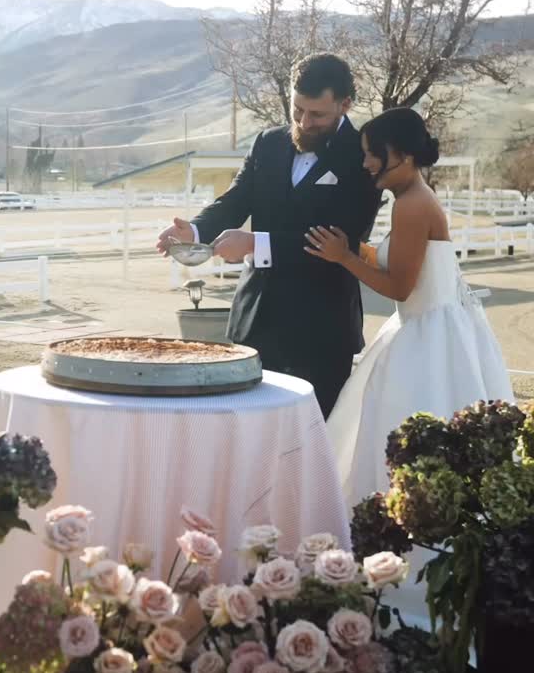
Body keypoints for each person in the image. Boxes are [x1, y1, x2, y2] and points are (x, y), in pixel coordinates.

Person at [304, 106, 513, 622]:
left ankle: (410, 576)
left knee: (401, 443)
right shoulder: (409, 200)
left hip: (425, 340)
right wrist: (363, 250)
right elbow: (406, 267)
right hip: (426, 332)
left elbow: (400, 287)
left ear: (404, 154)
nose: (368, 161)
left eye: (374, 152)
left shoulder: (412, 204)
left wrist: (345, 259)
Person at [157, 54, 381, 418]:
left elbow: (342, 237)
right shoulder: (268, 143)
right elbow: (236, 199)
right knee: (246, 437)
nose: (304, 122)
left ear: (345, 104)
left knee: (311, 441)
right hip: (255, 322)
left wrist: (255, 244)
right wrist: (195, 230)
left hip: (323, 331)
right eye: (297, 110)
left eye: (317, 115)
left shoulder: (365, 157)